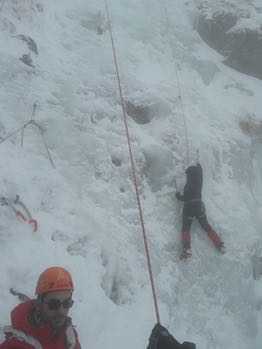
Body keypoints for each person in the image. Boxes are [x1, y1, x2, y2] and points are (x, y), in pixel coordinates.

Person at [0, 266, 81, 349]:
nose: (61, 310)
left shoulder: (68, 334)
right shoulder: (18, 344)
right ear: (39, 303)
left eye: (66, 303)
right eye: (53, 304)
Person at [176, 163, 225, 259]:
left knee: (186, 228)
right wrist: (199, 165)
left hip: (189, 207)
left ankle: (187, 249)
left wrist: (178, 196)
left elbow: (186, 197)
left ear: (190, 174)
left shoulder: (190, 183)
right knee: (206, 227)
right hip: (199, 207)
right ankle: (220, 244)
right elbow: (200, 172)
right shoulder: (199, 180)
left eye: (187, 174)